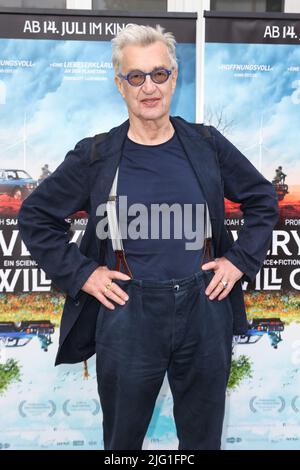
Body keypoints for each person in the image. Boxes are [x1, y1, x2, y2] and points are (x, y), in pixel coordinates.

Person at [18, 24, 279, 450]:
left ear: (175, 77)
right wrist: (84, 274)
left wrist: (239, 262)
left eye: (159, 74)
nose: (149, 87)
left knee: (202, 442)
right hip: (127, 315)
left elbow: (262, 199)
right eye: (136, 76)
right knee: (122, 445)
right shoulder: (96, 155)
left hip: (204, 309)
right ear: (120, 85)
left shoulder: (206, 145)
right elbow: (35, 216)